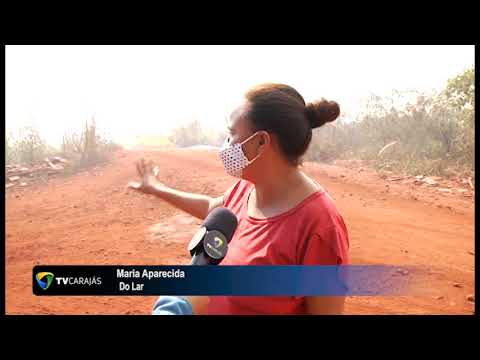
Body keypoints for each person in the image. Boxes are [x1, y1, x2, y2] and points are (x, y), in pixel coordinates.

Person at [128, 83, 350, 315]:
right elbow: (211, 208)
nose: (225, 144)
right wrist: (157, 188)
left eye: (232, 134)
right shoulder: (246, 190)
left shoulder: (320, 227)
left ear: (261, 142)